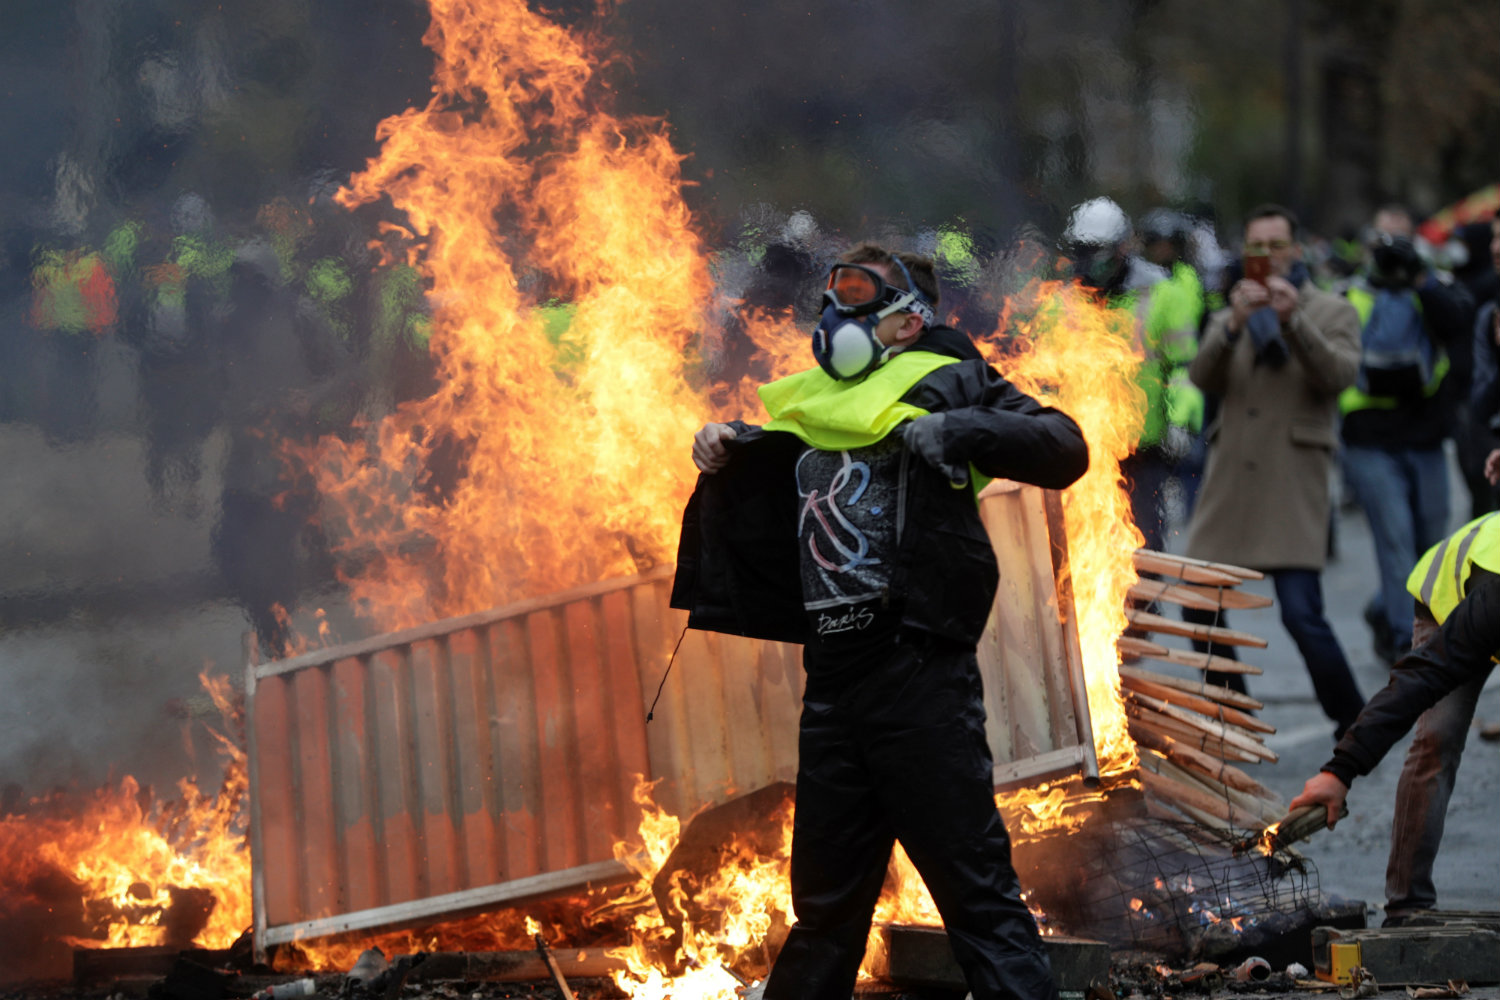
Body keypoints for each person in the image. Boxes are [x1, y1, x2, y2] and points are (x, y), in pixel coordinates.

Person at [674, 242, 1088, 1000]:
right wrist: (721, 444)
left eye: (860, 300)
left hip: (917, 676)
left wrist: (958, 432)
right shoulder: (815, 401)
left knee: (977, 900)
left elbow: (1064, 447)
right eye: (834, 299)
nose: (836, 319)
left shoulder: (952, 379)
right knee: (824, 912)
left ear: (907, 321)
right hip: (831, 684)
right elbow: (789, 462)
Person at [1179, 204, 1366, 736]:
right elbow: (1203, 376)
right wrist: (1234, 326)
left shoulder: (1330, 310)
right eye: (1255, 246)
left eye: (1275, 245)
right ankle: (1231, 715)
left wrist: (1294, 321)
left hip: (1291, 478)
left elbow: (1339, 376)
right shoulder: (1228, 310)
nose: (1265, 256)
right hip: (1231, 480)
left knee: (1302, 614)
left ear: (1295, 249)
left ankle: (1352, 716)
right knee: (1198, 600)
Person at [1289, 465, 1500, 924]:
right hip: (1451, 603)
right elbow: (1421, 677)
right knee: (1437, 740)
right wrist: (1339, 771)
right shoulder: (1492, 601)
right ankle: (1408, 904)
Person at [1339, 222, 1465, 665]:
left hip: (1425, 435)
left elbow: (1459, 328)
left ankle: (1383, 610)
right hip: (1368, 438)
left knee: (1431, 541)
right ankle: (1406, 640)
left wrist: (1421, 281)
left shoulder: (1430, 290)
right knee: (1397, 540)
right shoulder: (1349, 295)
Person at [1059, 197, 1193, 552]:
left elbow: (1181, 367)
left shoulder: (1161, 293)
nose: (1088, 259)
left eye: (1096, 250)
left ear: (1122, 247)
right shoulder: (1065, 299)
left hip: (1142, 445)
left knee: (1143, 541)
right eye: (1081, 250)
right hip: (1081, 446)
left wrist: (1178, 422)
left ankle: (1146, 605)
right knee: (1087, 544)